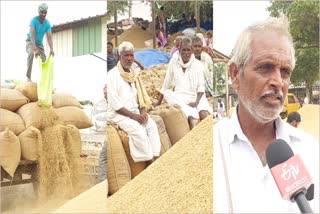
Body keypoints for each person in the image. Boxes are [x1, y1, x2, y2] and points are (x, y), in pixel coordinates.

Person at [213, 16, 319, 213]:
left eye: (285, 71)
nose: (278, 81)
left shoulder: (312, 150)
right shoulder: (212, 147)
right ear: (235, 74)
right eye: (265, 68)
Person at [106, 41, 161, 162]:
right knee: (138, 131)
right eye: (126, 55)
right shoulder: (112, 75)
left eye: (131, 55)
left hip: (135, 112)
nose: (129, 58)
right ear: (118, 57)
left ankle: (156, 158)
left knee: (151, 125)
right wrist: (134, 117)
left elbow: (141, 98)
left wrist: (142, 113)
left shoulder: (134, 74)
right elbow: (115, 104)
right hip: (120, 115)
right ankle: (149, 161)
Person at [154, 37, 212, 129]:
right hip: (180, 97)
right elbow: (166, 83)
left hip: (197, 96)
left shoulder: (198, 65)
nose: (186, 53)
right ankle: (193, 133)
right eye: (183, 50)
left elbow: (201, 87)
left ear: (192, 51)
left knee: (203, 114)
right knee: (191, 116)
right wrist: (159, 102)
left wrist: (196, 102)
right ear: (179, 50)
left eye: (188, 50)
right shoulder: (174, 62)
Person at [26, 3, 54, 81]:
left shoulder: (47, 23)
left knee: (44, 60)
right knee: (31, 54)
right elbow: (32, 36)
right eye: (42, 12)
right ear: (39, 12)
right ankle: (28, 76)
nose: (43, 14)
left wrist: (51, 49)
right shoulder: (33, 21)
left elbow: (49, 37)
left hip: (39, 43)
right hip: (30, 41)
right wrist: (35, 49)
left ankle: (45, 80)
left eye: (45, 12)